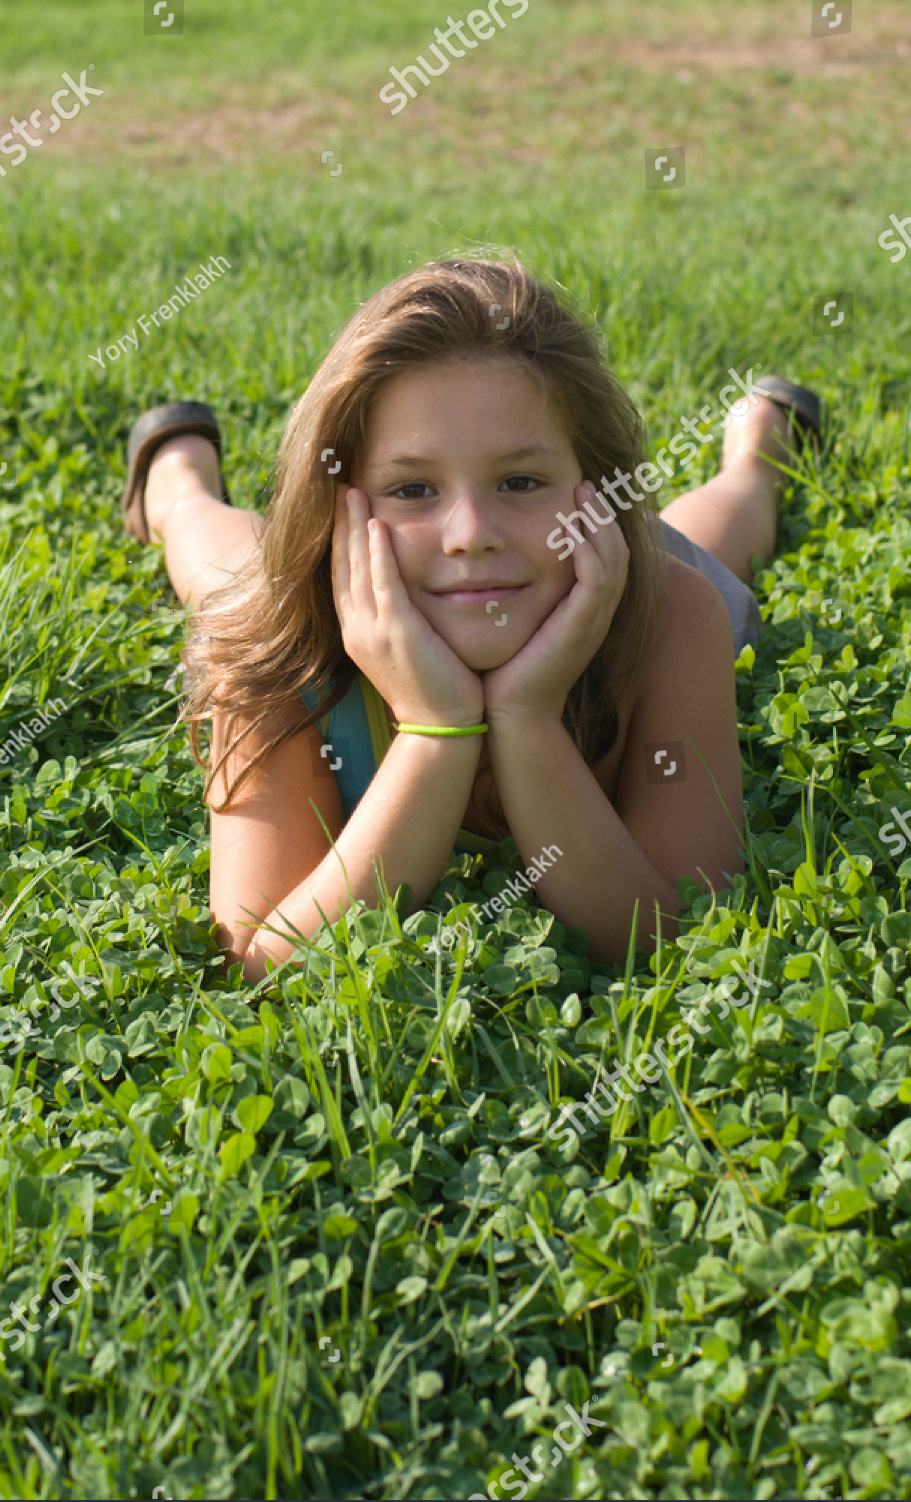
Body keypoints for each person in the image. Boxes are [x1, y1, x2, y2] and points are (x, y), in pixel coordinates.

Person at [119, 255, 821, 982]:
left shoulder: (670, 616)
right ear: (337, 507)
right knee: (233, 577)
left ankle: (758, 454)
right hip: (333, 589)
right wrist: (434, 727)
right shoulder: (276, 647)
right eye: (412, 488)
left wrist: (527, 715)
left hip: (580, 572)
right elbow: (263, 960)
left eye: (520, 480)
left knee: (710, 549)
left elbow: (673, 935)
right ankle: (177, 485)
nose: (470, 533)